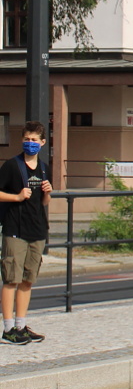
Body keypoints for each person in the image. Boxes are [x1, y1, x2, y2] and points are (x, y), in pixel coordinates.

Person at [0, 121, 52, 345]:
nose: (30, 144)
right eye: (27, 139)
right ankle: (8, 328)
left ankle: (21, 326)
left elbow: (44, 202)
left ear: (42, 142)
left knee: (27, 280)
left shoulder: (43, 167)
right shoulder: (12, 166)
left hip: (37, 228)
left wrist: (48, 193)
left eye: (34, 140)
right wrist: (17, 197)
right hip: (15, 229)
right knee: (11, 279)